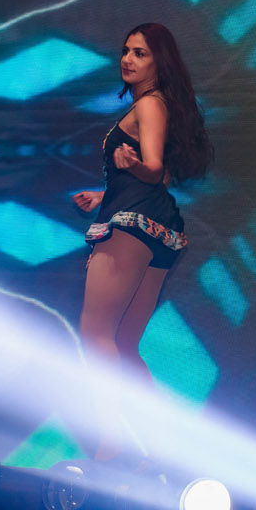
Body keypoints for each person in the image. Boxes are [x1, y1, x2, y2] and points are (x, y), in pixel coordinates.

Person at [72, 23, 211, 461]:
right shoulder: (159, 105)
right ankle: (159, 446)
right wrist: (105, 192)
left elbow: (150, 168)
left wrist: (130, 164)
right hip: (156, 225)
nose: (127, 59)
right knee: (125, 343)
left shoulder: (149, 104)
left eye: (140, 53)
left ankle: (109, 444)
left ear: (159, 62)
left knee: (95, 332)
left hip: (134, 224)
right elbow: (161, 176)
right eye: (126, 50)